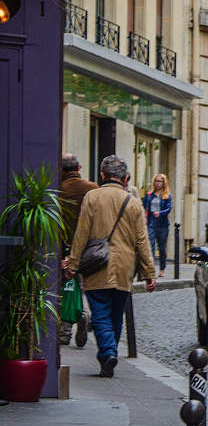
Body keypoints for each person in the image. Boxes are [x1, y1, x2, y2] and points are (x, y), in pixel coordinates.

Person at [65, 155, 156, 377]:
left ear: (102, 175)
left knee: (100, 314)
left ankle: (108, 352)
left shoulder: (92, 197)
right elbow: (142, 240)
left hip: (97, 265)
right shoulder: (133, 202)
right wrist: (149, 273)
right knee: (115, 315)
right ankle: (110, 353)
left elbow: (81, 233)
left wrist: (73, 263)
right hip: (125, 267)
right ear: (126, 178)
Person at [58, 155, 96, 349]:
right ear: (79, 167)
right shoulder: (92, 188)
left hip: (66, 248)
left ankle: (64, 333)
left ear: (62, 170)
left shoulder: (59, 190)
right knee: (83, 286)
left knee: (66, 288)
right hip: (91, 249)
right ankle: (84, 314)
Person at [143, 173, 173, 273]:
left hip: (163, 225)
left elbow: (169, 208)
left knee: (162, 248)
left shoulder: (167, 196)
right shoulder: (149, 195)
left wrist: (160, 213)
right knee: (150, 247)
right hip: (151, 224)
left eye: (159, 181)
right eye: (156, 181)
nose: (157, 183)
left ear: (164, 183)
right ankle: (151, 269)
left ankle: (162, 269)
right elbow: (143, 207)